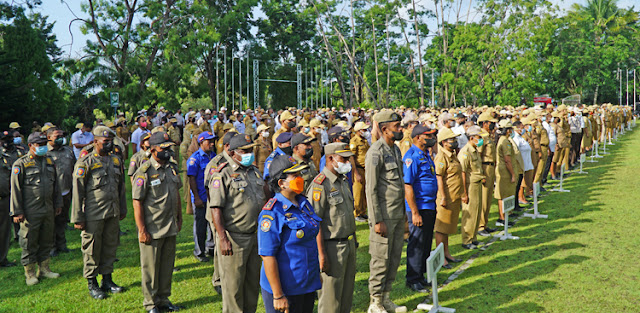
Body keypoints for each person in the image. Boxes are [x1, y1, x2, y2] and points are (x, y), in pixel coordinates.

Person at [209, 134, 266, 313]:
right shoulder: (222, 173)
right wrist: (222, 238)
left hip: (255, 236)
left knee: (251, 286)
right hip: (234, 238)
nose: (250, 153)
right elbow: (216, 208)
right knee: (233, 288)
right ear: (233, 153)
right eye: (245, 151)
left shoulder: (254, 171)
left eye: (251, 150)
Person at [258, 155, 322, 313]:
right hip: (285, 288)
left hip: (306, 284)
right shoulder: (272, 212)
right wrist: (278, 295)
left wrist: (314, 276)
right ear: (281, 183)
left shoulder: (303, 203)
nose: (301, 179)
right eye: (296, 176)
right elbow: (267, 255)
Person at [71, 126, 127, 299]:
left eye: (111, 141)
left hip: (112, 211)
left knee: (110, 245)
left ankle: (107, 280)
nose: (109, 144)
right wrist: (78, 217)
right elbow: (78, 192)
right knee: (92, 248)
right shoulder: (85, 162)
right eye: (106, 141)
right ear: (95, 142)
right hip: (93, 213)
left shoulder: (115, 161)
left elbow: (121, 188)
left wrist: (122, 209)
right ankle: (92, 283)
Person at [132, 132, 183, 313]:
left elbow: (176, 192)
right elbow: (137, 201)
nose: (168, 151)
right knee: (151, 269)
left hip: (169, 224)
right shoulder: (144, 172)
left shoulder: (172, 168)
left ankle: (163, 298)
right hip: (153, 227)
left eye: (170, 147)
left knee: (166, 266)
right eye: (164, 148)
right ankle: (151, 303)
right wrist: (142, 229)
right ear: (153, 150)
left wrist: (179, 217)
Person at [365, 110, 407, 313]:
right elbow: (370, 189)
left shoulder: (396, 150)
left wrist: (405, 215)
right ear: (384, 129)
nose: (400, 129)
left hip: (397, 214)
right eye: (396, 127)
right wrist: (377, 220)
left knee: (394, 257)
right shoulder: (376, 152)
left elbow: (399, 184)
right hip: (384, 216)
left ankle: (386, 297)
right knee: (380, 259)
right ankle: (375, 302)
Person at [307, 142, 357, 313]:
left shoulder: (342, 181)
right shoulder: (320, 185)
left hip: (348, 243)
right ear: (330, 158)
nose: (348, 162)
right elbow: (315, 223)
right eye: (343, 159)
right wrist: (321, 254)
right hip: (331, 247)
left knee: (346, 296)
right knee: (330, 299)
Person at [10, 132, 62, 285]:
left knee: (47, 239)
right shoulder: (21, 164)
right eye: (39, 145)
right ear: (31, 146)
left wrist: (58, 203)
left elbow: (56, 185)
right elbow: (16, 189)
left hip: (48, 208)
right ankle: (30, 273)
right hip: (30, 211)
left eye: (44, 144)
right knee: (29, 241)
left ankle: (44, 269)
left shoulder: (49, 161)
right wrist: (17, 211)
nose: (43, 147)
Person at [402, 125, 438, 293]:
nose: (431, 138)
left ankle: (422, 274)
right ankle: (413, 278)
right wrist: (415, 212)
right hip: (419, 207)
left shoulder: (426, 154)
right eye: (428, 136)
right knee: (416, 243)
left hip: (430, 205)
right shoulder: (412, 157)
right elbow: (408, 185)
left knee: (426, 242)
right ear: (417, 138)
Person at [434, 127, 463, 269]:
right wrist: (443, 197)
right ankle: (441, 258)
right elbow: (439, 177)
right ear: (444, 142)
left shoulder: (452, 154)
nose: (455, 142)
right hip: (446, 197)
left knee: (447, 228)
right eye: (452, 139)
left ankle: (447, 253)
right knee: (441, 229)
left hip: (454, 196)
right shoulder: (441, 157)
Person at [46, 127, 76, 256]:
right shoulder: (46, 153)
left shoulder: (68, 151)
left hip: (66, 191)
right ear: (49, 138)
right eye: (56, 136)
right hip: (51, 194)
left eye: (61, 135)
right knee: (51, 221)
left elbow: (74, 168)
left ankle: (62, 244)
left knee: (62, 219)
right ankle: (51, 247)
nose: (60, 138)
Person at [187, 132, 216, 262]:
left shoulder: (213, 156)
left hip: (213, 197)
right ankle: (199, 251)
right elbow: (191, 179)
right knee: (200, 226)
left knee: (212, 224)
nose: (212, 144)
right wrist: (197, 198)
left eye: (213, 141)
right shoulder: (195, 159)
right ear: (201, 142)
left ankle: (210, 247)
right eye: (209, 141)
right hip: (201, 198)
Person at [458, 125, 485, 249]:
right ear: (472, 138)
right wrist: (464, 193)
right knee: (470, 213)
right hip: (470, 186)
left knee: (477, 211)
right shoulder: (465, 152)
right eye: (479, 137)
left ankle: (473, 237)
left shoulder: (475, 150)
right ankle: (467, 240)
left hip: (477, 183)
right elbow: (462, 173)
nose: (481, 140)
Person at [477, 112, 498, 237]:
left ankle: (485, 223)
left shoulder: (488, 136)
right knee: (483, 198)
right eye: (491, 123)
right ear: (484, 123)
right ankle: (480, 226)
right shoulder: (481, 136)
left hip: (491, 167)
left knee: (489, 198)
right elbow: (478, 155)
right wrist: (481, 174)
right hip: (485, 167)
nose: (493, 125)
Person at [494, 120, 517, 227]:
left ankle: (505, 217)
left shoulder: (502, 140)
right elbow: (507, 160)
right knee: (503, 194)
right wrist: (513, 174)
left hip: (503, 170)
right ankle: (502, 218)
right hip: (504, 171)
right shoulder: (505, 142)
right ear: (507, 131)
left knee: (505, 194)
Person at [350, 121, 370, 222]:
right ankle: (357, 213)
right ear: (358, 131)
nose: (366, 131)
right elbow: (352, 157)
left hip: (365, 169)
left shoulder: (365, 140)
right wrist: (356, 173)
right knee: (358, 192)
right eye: (364, 130)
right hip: (358, 168)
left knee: (364, 192)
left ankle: (363, 212)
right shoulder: (354, 141)